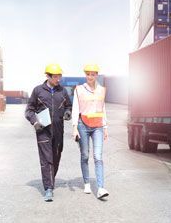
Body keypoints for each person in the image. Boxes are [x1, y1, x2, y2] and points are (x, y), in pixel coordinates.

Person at [25, 63, 72, 202]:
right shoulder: (38, 91)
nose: (58, 79)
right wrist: (35, 122)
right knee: (46, 160)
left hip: (58, 130)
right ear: (48, 76)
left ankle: (51, 180)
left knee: (56, 157)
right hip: (43, 130)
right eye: (55, 77)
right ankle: (48, 188)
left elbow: (68, 106)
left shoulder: (62, 91)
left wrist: (68, 112)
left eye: (59, 76)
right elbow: (29, 110)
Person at [72, 63, 109, 200]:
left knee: (98, 156)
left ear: (96, 75)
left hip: (98, 126)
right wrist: (74, 127)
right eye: (88, 74)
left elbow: (103, 108)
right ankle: (87, 182)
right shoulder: (79, 89)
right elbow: (76, 108)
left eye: (92, 74)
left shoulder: (102, 90)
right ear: (85, 75)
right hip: (83, 125)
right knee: (85, 155)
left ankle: (100, 188)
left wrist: (105, 127)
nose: (90, 77)